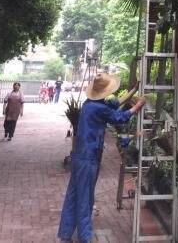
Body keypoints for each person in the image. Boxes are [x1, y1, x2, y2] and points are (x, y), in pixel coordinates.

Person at [58, 72, 145, 243]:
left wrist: (134, 90)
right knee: (85, 199)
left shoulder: (91, 103)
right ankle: (85, 238)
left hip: (79, 157)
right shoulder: (98, 108)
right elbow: (119, 117)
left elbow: (115, 104)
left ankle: (65, 235)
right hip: (88, 158)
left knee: (74, 195)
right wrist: (138, 106)